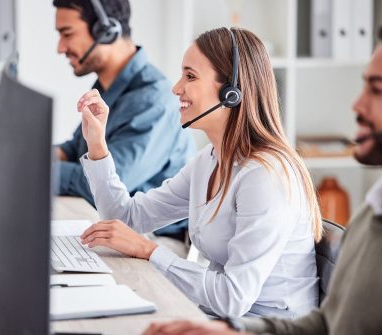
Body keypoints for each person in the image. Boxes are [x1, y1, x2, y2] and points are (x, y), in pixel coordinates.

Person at [143, 21, 382, 335]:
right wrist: (236, 331)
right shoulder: (374, 214)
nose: (357, 105)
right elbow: (325, 324)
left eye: (379, 91)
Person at [78, 27, 322, 319]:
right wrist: (97, 145)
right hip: (221, 318)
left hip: (263, 325)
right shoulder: (209, 161)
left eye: (190, 76)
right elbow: (127, 217)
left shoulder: (265, 176)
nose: (176, 87)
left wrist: (149, 251)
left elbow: (233, 298)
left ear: (231, 93)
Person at [53, 0, 195, 241]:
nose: (60, 47)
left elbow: (101, 183)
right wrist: (23, 156)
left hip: (158, 239)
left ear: (106, 31)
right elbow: (73, 150)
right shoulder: (108, 87)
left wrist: (33, 170)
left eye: (67, 34)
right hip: (116, 224)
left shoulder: (153, 101)